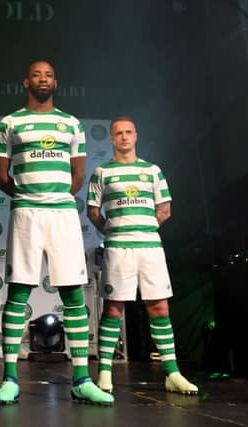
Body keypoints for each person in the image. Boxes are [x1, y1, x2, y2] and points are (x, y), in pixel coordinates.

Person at [0, 60, 114, 406]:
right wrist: (30, 197)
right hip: (26, 214)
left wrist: (54, 197)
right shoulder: (9, 123)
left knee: (73, 293)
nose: (42, 79)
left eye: (48, 75)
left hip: (62, 214)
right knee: (18, 293)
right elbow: (0, 175)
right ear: (25, 81)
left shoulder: (71, 123)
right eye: (36, 74)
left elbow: (77, 176)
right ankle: (10, 377)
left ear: (55, 82)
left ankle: (81, 379)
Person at [87, 116, 198, 395]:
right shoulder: (101, 172)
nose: (124, 137)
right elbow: (93, 213)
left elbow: (165, 210)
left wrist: (143, 228)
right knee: (113, 309)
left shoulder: (152, 170)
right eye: (118, 133)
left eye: (128, 132)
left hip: (150, 247)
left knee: (159, 308)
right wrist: (116, 231)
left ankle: (172, 373)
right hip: (118, 248)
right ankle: (104, 373)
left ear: (136, 136)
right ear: (111, 139)